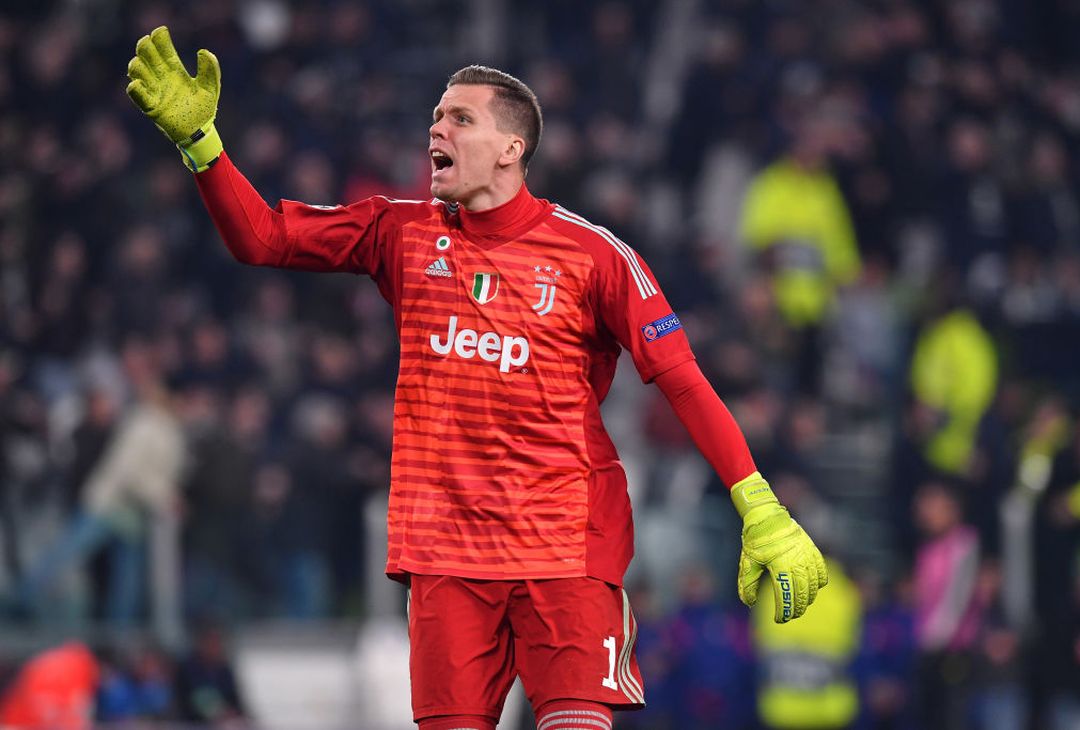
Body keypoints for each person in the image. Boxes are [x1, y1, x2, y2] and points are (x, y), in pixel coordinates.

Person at [125, 26, 829, 730]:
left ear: (511, 148)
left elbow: (681, 380)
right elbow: (264, 237)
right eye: (435, 116)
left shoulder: (595, 256)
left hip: (565, 545)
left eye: (460, 117)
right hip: (446, 554)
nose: (437, 126)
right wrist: (203, 148)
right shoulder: (398, 232)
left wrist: (758, 505)